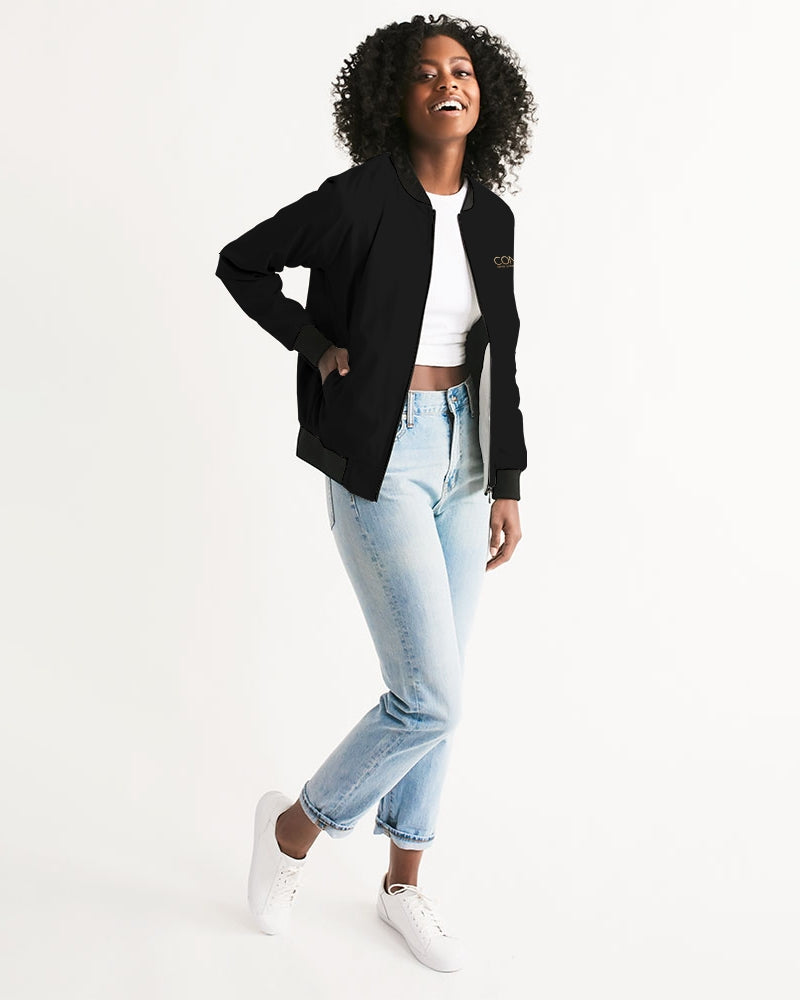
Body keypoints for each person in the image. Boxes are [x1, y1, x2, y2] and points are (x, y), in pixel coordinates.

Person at [214, 13, 537, 972]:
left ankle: (404, 884)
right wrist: (317, 347)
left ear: (486, 96)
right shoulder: (358, 199)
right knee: (429, 697)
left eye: (463, 70)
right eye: (427, 72)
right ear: (395, 97)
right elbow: (243, 262)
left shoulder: (493, 218)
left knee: (446, 687)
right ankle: (293, 833)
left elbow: (504, 355)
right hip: (381, 454)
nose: (450, 83)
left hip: (465, 458)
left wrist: (508, 480)